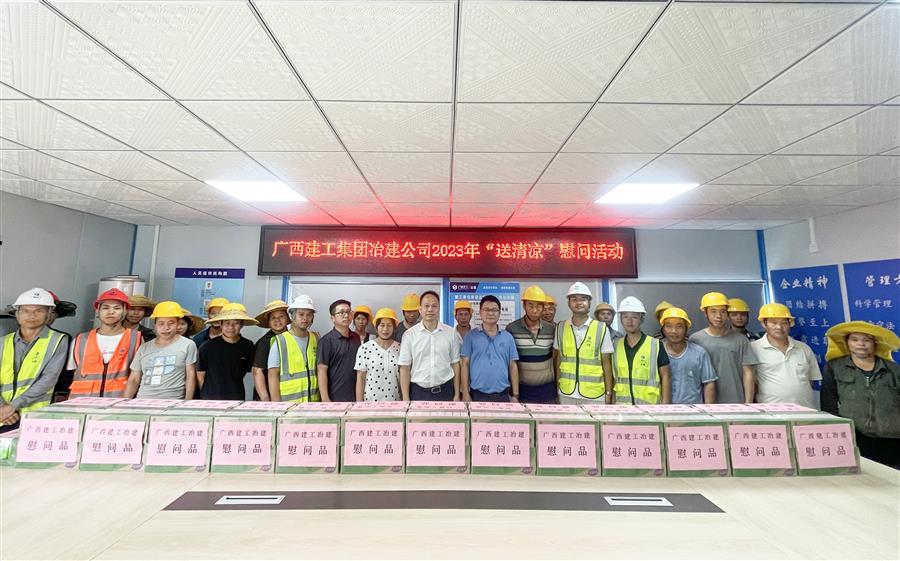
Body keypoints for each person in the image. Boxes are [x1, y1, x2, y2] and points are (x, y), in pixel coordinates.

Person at [821, 321, 900, 469]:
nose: (861, 344)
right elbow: (828, 402)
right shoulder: (835, 367)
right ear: (847, 342)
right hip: (854, 436)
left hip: (892, 438)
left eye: (866, 340)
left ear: (875, 343)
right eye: (855, 339)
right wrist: (836, 431)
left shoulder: (894, 369)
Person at [0, 288, 67, 432]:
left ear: (49, 314)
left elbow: (49, 378)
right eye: (25, 310)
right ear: (17, 314)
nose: (31, 315)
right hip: (3, 417)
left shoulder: (58, 340)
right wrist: (2, 408)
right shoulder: (3, 342)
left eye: (39, 310)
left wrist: (12, 406)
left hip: (35, 417)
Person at [68, 288, 143, 398]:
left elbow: (136, 377)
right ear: (97, 311)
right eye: (105, 307)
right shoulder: (81, 340)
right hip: (82, 403)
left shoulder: (136, 338)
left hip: (117, 403)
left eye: (117, 308)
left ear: (125, 311)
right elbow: (74, 375)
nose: (111, 312)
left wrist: (124, 402)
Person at [689, 292, 758, 404]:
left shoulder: (741, 340)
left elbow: (748, 373)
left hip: (735, 402)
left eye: (723, 311)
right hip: (704, 403)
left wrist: (748, 403)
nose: (718, 316)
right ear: (705, 313)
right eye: (713, 311)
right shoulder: (695, 339)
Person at [553, 282, 614, 405]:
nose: (578, 302)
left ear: (589, 302)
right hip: (566, 393)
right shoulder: (560, 327)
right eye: (574, 299)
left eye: (583, 299)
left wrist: (608, 393)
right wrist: (557, 389)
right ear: (569, 303)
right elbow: (558, 360)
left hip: (594, 395)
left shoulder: (601, 328)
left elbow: (607, 364)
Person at [751, 303, 821, 409]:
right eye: (773, 323)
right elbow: (750, 381)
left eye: (784, 323)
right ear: (764, 324)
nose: (779, 327)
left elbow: (811, 380)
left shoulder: (803, 348)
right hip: (771, 412)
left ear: (790, 324)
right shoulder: (753, 349)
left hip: (805, 410)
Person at [124, 301, 197, 400]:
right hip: (143, 400)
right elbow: (134, 379)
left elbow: (190, 376)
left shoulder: (188, 345)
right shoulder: (144, 348)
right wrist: (124, 401)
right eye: (161, 323)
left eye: (171, 323)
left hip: (173, 401)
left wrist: (187, 401)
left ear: (177, 325)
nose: (166, 328)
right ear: (155, 325)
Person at [399, 291, 461, 401]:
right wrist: (405, 398)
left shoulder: (451, 333)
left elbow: (455, 364)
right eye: (426, 306)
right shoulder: (409, 335)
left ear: (439, 308)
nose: (430, 309)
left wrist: (456, 394)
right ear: (420, 309)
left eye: (434, 306)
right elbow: (405, 368)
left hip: (445, 391)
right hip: (418, 393)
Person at [612, 297, 672, 405]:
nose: (629, 321)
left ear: (641, 319)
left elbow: (666, 376)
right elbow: (613, 379)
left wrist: (665, 406)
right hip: (622, 408)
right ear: (620, 319)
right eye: (625, 316)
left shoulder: (655, 345)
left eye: (634, 317)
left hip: (650, 408)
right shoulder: (615, 346)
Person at [461, 295, 520, 402]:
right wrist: (465, 393)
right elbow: (465, 364)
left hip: (503, 394)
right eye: (486, 309)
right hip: (477, 395)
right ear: (480, 312)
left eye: (494, 310)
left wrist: (515, 395)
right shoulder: (470, 336)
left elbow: (513, 366)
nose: (490, 313)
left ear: (499, 313)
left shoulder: (508, 337)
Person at [196, 303, 257, 401]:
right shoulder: (206, 347)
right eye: (227, 323)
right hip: (210, 397)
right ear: (221, 324)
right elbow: (200, 373)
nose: (231, 327)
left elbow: (244, 371)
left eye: (236, 323)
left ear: (242, 324)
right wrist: (207, 392)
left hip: (236, 395)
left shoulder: (248, 346)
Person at [506, 285, 556, 404]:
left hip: (548, 392)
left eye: (538, 306)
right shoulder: (512, 329)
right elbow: (510, 363)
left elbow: (555, 358)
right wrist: (514, 394)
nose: (534, 310)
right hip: (522, 392)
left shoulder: (551, 329)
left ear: (543, 307)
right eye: (530, 305)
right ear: (524, 306)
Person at [267, 295, 319, 403]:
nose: (305, 318)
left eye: (309, 314)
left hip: (313, 404)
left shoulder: (316, 338)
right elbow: (273, 375)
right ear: (292, 316)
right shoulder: (280, 341)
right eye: (301, 314)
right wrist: (276, 405)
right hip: (288, 405)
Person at [660, 307, 717, 404]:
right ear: (663, 329)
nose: (674, 331)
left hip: (693, 410)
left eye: (679, 326)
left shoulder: (699, 353)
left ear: (686, 329)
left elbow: (709, 383)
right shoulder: (657, 351)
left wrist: (708, 409)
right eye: (669, 326)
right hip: (664, 410)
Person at [316, 299, 362, 402]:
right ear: (332, 318)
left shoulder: (356, 337)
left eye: (349, 312)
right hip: (334, 398)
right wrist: (325, 399)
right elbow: (321, 370)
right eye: (341, 312)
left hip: (355, 397)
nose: (346, 315)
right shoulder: (326, 341)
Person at [354, 308, 402, 402]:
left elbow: (404, 378)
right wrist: (359, 404)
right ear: (376, 327)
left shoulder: (401, 348)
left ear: (394, 328)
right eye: (382, 325)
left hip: (395, 402)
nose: (385, 329)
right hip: (370, 402)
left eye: (389, 325)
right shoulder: (365, 348)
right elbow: (360, 378)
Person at [252, 300, 290, 401]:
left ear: (287, 318)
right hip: (268, 396)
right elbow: (257, 372)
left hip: (286, 394)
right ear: (268, 322)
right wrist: (265, 399)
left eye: (281, 316)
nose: (277, 320)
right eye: (273, 318)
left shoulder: (292, 338)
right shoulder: (264, 343)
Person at [46, 290, 77, 402]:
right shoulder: (9, 340)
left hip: (49, 396)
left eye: (53, 312)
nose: (49, 315)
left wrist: (62, 392)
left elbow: (66, 371)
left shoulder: (61, 338)